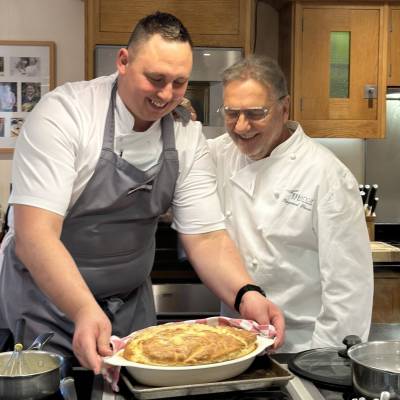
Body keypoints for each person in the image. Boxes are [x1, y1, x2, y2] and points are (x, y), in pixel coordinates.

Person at [0, 13, 284, 374]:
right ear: (123, 61)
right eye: (156, 79)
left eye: (179, 83)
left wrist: (247, 293)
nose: (166, 95)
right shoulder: (66, 114)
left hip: (130, 310)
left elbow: (208, 237)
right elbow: (34, 235)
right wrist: (85, 309)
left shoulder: (184, 134)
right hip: (44, 305)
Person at [207, 55, 374, 352]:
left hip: (301, 347)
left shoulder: (326, 175)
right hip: (234, 343)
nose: (242, 127)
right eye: (232, 113)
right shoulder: (217, 154)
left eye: (255, 113)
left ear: (284, 109)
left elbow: (349, 289)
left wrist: (323, 363)